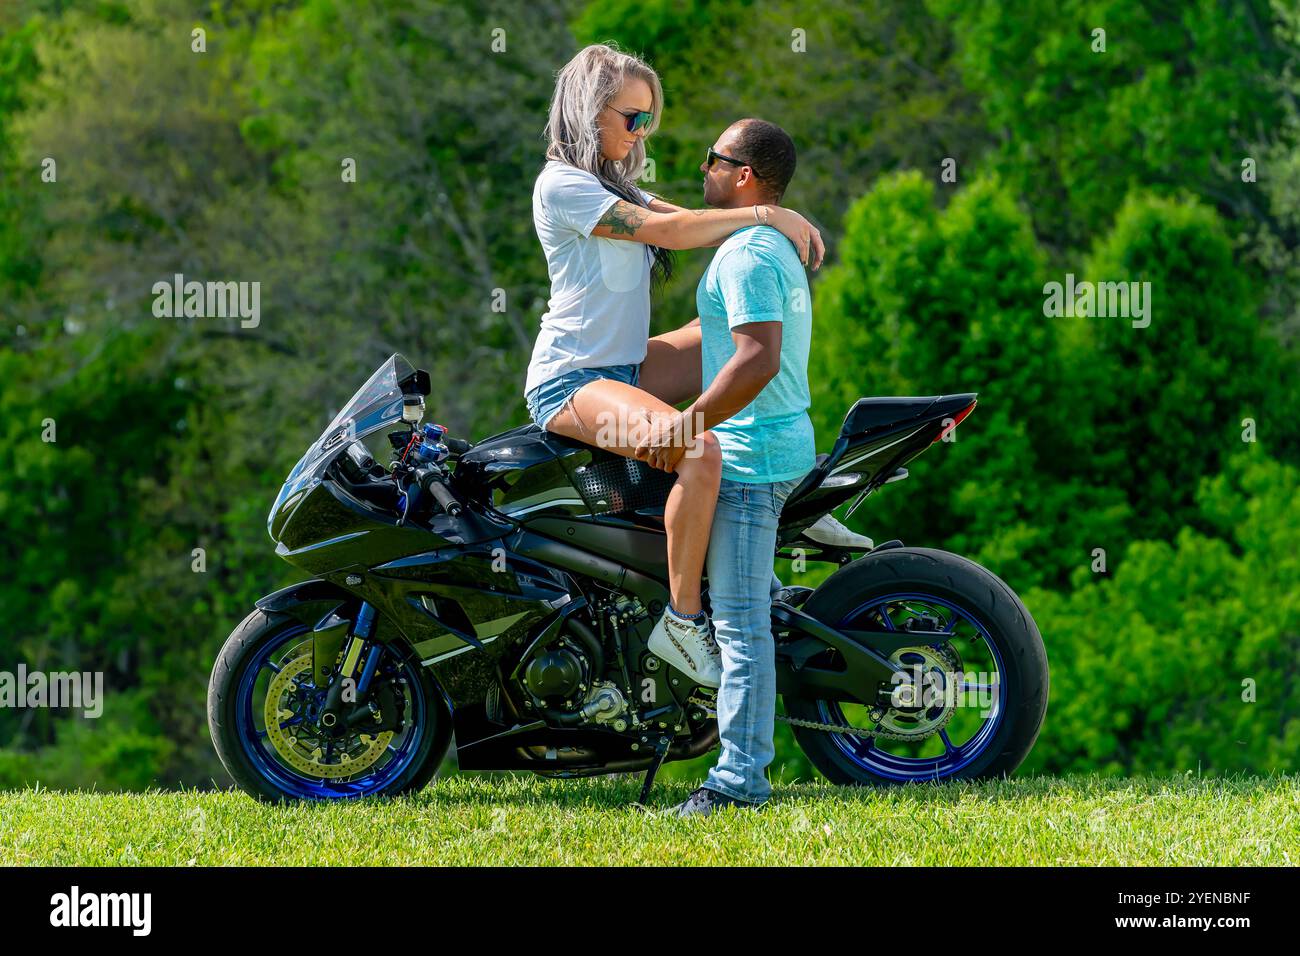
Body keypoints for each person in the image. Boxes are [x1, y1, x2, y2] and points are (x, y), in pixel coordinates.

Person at [525, 43, 823, 686]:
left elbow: (691, 220)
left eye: (646, 121)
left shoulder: (615, 185)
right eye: (631, 118)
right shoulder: (565, 186)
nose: (640, 133)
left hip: (627, 368)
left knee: (734, 340)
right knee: (698, 449)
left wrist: (768, 228)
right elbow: (678, 232)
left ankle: (791, 489)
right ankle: (684, 624)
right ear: (588, 111)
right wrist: (770, 212)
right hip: (572, 383)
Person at [634, 119, 816, 817]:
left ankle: (739, 783)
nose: (701, 168)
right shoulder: (761, 241)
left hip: (750, 457)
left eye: (712, 159)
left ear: (743, 175)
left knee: (739, 626)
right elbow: (673, 221)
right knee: (745, 609)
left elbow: (756, 357)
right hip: (772, 444)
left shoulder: (747, 255)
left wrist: (688, 425)